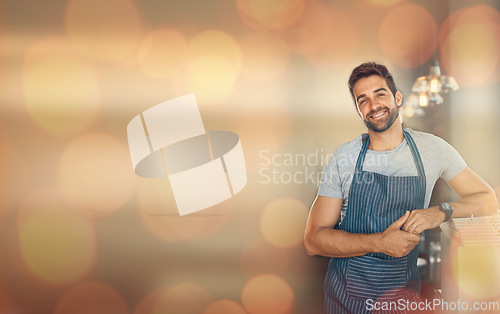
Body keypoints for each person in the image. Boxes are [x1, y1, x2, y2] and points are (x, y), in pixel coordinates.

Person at [304, 62, 498, 313]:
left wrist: (440, 211)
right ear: (358, 111)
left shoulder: (432, 150)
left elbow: (487, 198)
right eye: (363, 100)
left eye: (380, 94)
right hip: (345, 298)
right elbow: (313, 240)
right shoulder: (345, 158)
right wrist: (380, 243)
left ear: (397, 98)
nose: (373, 106)